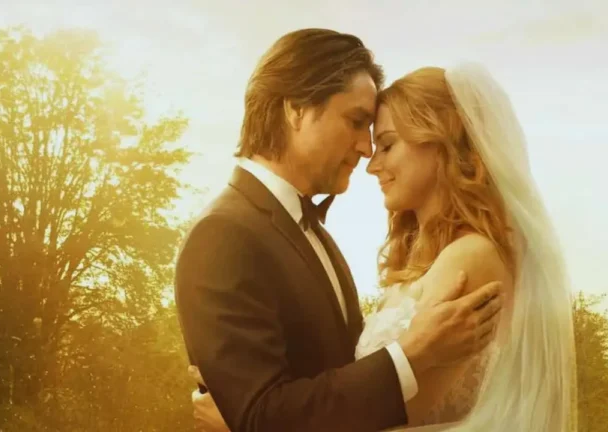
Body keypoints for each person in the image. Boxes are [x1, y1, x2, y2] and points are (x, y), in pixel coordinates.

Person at [188, 61, 577, 431]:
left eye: (387, 145)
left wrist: (242, 423)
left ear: (441, 142)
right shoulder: (424, 261)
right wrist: (242, 385)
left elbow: (387, 418)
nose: (371, 164)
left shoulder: (469, 259)